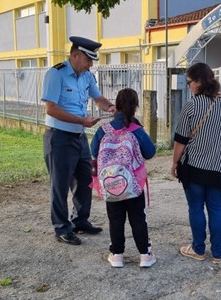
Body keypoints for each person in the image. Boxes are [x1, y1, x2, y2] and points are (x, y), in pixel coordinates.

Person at [42, 36, 116, 245]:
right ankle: (62, 228)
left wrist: (110, 107)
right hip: (59, 137)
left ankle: (80, 221)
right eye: (88, 60)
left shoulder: (86, 76)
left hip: (79, 137)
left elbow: (98, 99)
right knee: (60, 184)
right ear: (75, 55)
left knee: (85, 179)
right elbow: (51, 108)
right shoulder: (56, 74)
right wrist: (81, 120)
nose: (91, 64)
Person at [172, 62, 221, 264]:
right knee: (216, 209)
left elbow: (181, 139)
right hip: (219, 168)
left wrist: (175, 163)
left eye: (190, 82)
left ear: (200, 82)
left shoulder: (192, 105)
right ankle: (218, 253)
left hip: (194, 167)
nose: (189, 86)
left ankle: (198, 249)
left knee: (195, 207)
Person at [90, 88, 157, 268]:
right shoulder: (136, 130)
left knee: (115, 218)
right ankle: (145, 255)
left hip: (111, 183)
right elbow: (150, 152)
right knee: (138, 218)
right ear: (135, 106)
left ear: (116, 105)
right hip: (133, 184)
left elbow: (93, 151)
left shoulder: (103, 130)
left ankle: (117, 255)